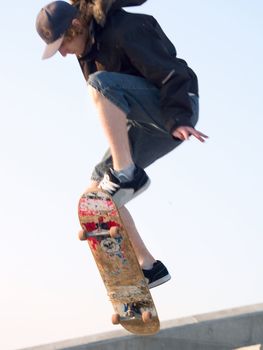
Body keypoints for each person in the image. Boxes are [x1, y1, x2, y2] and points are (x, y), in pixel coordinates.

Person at [36, 0, 208, 289]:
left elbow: (171, 72)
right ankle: (149, 267)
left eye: (62, 45)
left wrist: (178, 117)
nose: (64, 53)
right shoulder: (87, 51)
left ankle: (127, 173)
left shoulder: (125, 29)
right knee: (95, 196)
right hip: (145, 123)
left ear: (76, 26)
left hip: (176, 106)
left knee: (100, 84)